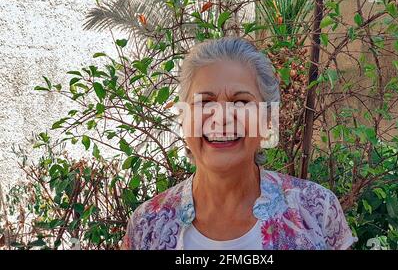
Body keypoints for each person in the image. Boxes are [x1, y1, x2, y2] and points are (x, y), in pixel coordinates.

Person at [121, 37, 357, 250]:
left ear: (267, 120)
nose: (222, 117)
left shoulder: (316, 210)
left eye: (241, 101)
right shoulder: (147, 226)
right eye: (205, 102)